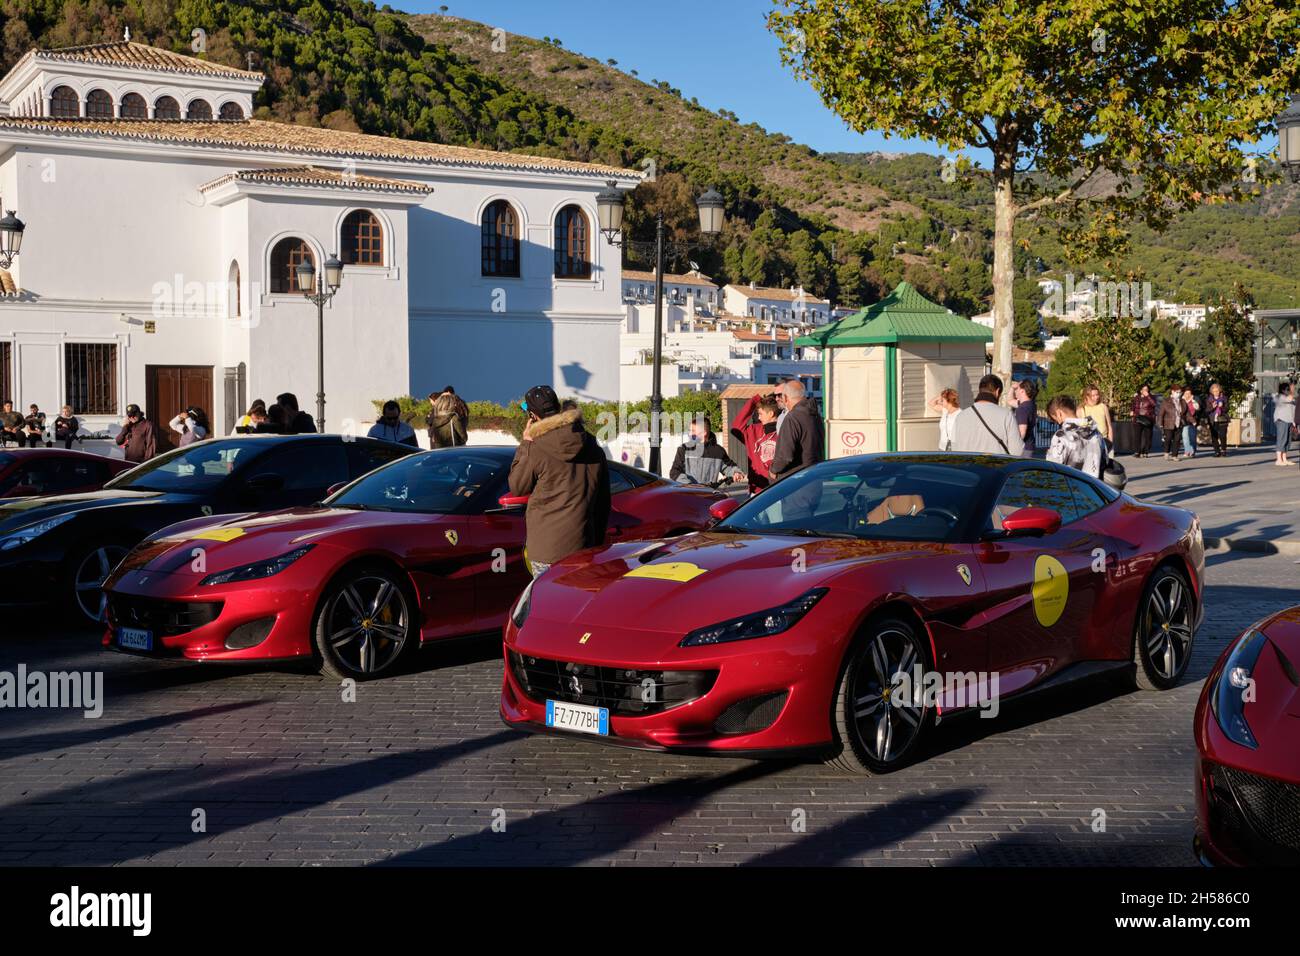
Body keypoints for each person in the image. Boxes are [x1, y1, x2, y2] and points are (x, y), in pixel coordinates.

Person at [508, 385, 610, 578]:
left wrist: (525, 443)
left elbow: (517, 487)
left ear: (533, 416)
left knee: (547, 604)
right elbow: (603, 501)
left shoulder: (536, 447)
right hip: (583, 544)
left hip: (546, 549)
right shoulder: (592, 446)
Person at [950, 374, 1025, 456]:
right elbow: (1017, 451)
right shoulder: (1006, 415)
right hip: (996, 467)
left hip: (966, 467)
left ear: (980, 390)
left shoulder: (960, 416)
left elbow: (954, 448)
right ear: (997, 392)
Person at [770, 379, 824, 481]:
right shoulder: (815, 415)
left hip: (796, 482)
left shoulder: (792, 418)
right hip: (814, 477)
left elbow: (785, 456)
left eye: (780, 396)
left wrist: (773, 470)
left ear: (785, 397)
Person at [1045, 395, 1106, 479]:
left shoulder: (1061, 436)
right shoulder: (1096, 433)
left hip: (1072, 488)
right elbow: (1104, 461)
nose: (1058, 423)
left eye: (1055, 420)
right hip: (1095, 488)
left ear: (1059, 413)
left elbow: (1052, 469)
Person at [730, 393, 781, 494]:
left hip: (777, 489)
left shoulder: (783, 430)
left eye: (761, 414)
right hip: (756, 490)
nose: (759, 418)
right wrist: (754, 401)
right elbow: (736, 426)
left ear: (771, 414)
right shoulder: (753, 430)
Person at [671, 418, 745, 487]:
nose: (690, 434)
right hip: (688, 495)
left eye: (693, 431)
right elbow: (674, 472)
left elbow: (729, 468)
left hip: (709, 496)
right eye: (690, 430)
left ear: (704, 433)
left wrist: (736, 473)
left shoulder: (718, 451)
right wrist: (691, 486)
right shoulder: (683, 449)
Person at [1080, 385, 1113, 451]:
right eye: (1093, 395)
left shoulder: (1103, 407)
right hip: (1090, 443)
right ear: (1087, 396)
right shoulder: (1082, 409)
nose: (1096, 397)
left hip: (1104, 441)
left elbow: (1109, 426)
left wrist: (1111, 443)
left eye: (1097, 395)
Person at [1157, 385, 1186, 461]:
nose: (1179, 394)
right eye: (1177, 392)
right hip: (1168, 423)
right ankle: (1166, 452)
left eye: (1180, 392)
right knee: (1168, 439)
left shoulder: (1182, 401)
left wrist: (1193, 421)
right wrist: (1160, 423)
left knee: (1177, 440)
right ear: (1172, 391)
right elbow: (1161, 413)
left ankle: (1174, 455)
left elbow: (1187, 413)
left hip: (1179, 423)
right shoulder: (1166, 401)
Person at [1012, 379, 1039, 457]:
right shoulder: (1030, 404)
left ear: (1022, 391)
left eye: (1017, 389)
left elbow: (1022, 432)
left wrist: (1014, 446)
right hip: (1030, 445)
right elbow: (1009, 401)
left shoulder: (1022, 408)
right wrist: (1012, 388)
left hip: (1024, 448)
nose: (1015, 391)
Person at [1131, 384, 1157, 458]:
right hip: (1138, 418)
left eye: (1147, 389)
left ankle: (1145, 451)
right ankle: (1137, 452)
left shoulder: (1152, 397)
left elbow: (1154, 404)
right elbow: (1133, 405)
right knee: (1137, 436)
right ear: (1141, 390)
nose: (1146, 391)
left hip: (1148, 418)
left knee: (1148, 437)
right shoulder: (1136, 397)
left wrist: (1148, 396)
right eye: (1144, 389)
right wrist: (1131, 411)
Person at [1273, 382, 1295, 466]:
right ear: (1283, 390)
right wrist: (1292, 390)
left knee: (1287, 441)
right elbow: (1289, 399)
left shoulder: (1290, 398)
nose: (1289, 391)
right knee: (1282, 439)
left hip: (1289, 421)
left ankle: (1284, 459)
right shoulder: (1279, 397)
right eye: (1288, 389)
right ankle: (1278, 459)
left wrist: (1294, 421)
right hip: (1281, 420)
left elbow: (1292, 409)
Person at [1205, 383, 1229, 458]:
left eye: (1217, 391)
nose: (1216, 392)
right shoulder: (1209, 399)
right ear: (1211, 391)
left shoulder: (1224, 398)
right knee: (1214, 436)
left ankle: (1223, 450)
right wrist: (1212, 407)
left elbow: (1227, 409)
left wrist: (1222, 407)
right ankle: (1217, 451)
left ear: (1220, 391)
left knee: (1222, 435)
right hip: (1213, 420)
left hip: (1222, 419)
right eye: (1214, 391)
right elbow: (1206, 410)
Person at [1180, 387, 1200, 460]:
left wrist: (1193, 401)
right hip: (1184, 421)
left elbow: (1198, 408)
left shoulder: (1195, 399)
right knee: (1185, 436)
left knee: (1192, 437)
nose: (1187, 395)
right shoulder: (1181, 400)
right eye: (1186, 393)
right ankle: (1187, 451)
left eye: (1189, 393)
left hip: (1193, 420)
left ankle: (1193, 451)